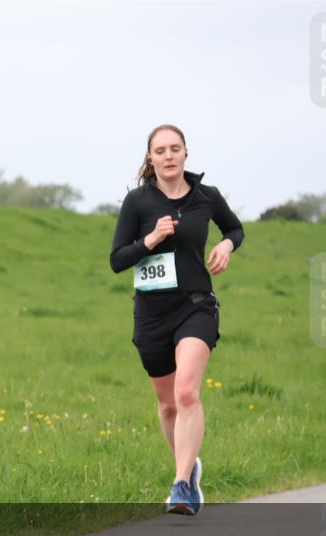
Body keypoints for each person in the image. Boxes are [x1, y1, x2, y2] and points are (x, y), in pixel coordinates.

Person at [109, 124, 244, 515]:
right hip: (152, 314)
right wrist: (148, 241)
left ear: (186, 153)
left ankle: (181, 486)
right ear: (150, 158)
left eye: (175, 149)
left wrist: (225, 243)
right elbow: (117, 260)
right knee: (167, 406)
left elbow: (235, 227)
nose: (168, 156)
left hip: (196, 306)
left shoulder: (206, 197)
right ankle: (188, 466)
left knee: (187, 392)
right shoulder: (138, 202)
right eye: (160, 151)